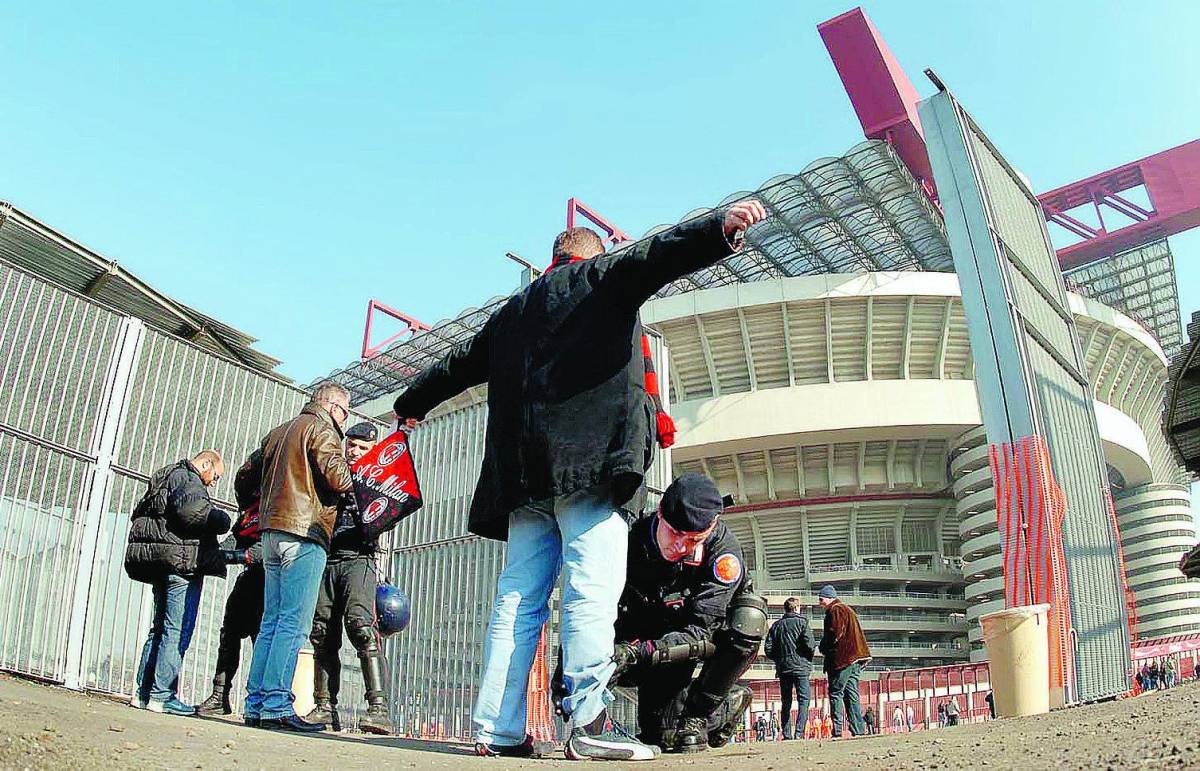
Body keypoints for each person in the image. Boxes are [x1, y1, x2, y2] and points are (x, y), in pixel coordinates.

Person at [391, 201, 768, 761]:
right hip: (590, 470)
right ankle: (587, 723)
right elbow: (657, 255)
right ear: (592, 256)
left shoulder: (511, 314)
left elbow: (457, 363)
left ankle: (497, 728)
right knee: (591, 592)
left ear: (551, 259)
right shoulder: (601, 278)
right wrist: (718, 231)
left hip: (523, 481)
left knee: (518, 601)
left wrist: (411, 403)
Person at [607, 473, 766, 753]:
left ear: (712, 525)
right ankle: (720, 709)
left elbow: (701, 631)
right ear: (660, 513)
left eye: (694, 540)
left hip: (693, 640)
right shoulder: (631, 540)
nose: (681, 547)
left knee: (749, 620)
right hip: (655, 638)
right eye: (675, 533)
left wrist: (636, 652)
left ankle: (699, 715)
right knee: (660, 738)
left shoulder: (723, 553)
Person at [243, 382, 354, 732]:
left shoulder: (278, 432)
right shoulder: (322, 429)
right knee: (293, 623)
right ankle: (275, 704)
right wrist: (358, 476)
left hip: (271, 531)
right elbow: (339, 479)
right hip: (305, 532)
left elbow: (246, 475)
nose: (345, 420)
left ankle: (256, 702)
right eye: (345, 412)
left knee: (271, 622)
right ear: (333, 406)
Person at [124, 450, 231, 715]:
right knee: (177, 630)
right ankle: (163, 695)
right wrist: (222, 519)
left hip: (161, 561)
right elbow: (194, 513)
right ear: (205, 464)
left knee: (159, 629)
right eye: (214, 476)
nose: (212, 483)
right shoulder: (189, 479)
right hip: (181, 564)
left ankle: (144, 692)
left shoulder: (165, 474)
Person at [305, 422, 394, 735]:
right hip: (326, 558)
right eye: (352, 445)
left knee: (362, 628)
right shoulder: (331, 474)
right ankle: (324, 706)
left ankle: (379, 710)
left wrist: (360, 501)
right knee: (321, 633)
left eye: (362, 448)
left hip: (359, 558)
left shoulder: (378, 478)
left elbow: (386, 520)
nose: (354, 452)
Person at [196, 451, 268, 716]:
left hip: (270, 581)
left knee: (263, 639)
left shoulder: (278, 502)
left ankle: (261, 701)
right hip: (249, 579)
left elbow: (270, 545)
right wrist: (214, 554)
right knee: (230, 633)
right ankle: (220, 694)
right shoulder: (252, 508)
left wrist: (239, 556)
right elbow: (236, 537)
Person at [817, 586, 870, 738]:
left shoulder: (835, 610)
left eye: (821, 599)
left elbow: (835, 634)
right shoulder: (848, 609)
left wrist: (823, 647)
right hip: (855, 659)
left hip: (842, 659)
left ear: (828, 598)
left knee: (835, 693)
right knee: (852, 694)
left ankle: (838, 730)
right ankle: (858, 729)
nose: (820, 603)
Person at [764, 596, 816, 740]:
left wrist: (779, 659)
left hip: (784, 668)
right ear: (797, 608)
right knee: (804, 700)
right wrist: (806, 657)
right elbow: (810, 644)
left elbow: (768, 648)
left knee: (786, 701)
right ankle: (798, 733)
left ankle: (787, 734)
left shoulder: (776, 625)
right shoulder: (802, 623)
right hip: (801, 668)